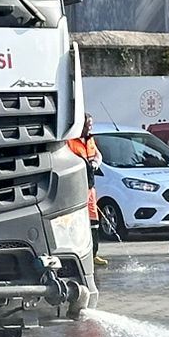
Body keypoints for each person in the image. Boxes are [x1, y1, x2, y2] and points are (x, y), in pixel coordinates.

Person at [66, 113, 107, 268]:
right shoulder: (70, 141)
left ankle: (94, 254)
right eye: (87, 125)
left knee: (93, 223)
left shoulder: (90, 140)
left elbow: (97, 154)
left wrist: (96, 162)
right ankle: (76, 255)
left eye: (91, 125)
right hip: (76, 187)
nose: (90, 127)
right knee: (75, 223)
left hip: (90, 186)